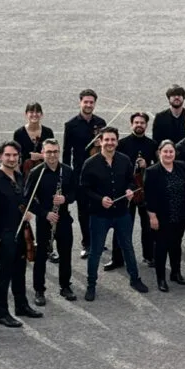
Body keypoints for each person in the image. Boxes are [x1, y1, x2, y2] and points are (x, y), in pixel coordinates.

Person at [80, 127, 149, 301]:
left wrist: (130, 189)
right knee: (95, 251)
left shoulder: (124, 160)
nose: (110, 143)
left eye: (113, 140)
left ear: (117, 142)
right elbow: (84, 189)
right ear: (100, 141)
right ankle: (91, 285)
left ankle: (135, 279)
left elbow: (131, 181)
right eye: (107, 140)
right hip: (99, 215)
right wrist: (100, 199)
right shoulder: (90, 163)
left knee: (128, 247)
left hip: (121, 213)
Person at [0, 141, 43, 327]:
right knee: (4, 275)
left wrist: (28, 210)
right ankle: (2, 313)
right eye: (7, 155)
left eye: (14, 155)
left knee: (20, 270)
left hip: (21, 231)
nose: (11, 159)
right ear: (0, 157)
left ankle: (21, 305)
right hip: (5, 234)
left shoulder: (18, 176)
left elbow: (23, 200)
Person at [25, 139, 78, 306]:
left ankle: (65, 286)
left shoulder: (67, 171)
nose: (52, 155)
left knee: (66, 254)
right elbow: (27, 199)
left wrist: (65, 198)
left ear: (59, 151)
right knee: (41, 256)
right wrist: (45, 213)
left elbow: (75, 192)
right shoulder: (36, 172)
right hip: (45, 220)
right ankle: (39, 290)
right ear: (43, 152)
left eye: (55, 151)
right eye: (48, 152)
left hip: (63, 219)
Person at [106, 112, 157, 271]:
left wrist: (147, 165)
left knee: (147, 226)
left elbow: (158, 168)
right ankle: (117, 258)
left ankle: (149, 256)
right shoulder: (122, 144)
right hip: (126, 191)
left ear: (146, 125)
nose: (139, 125)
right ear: (131, 124)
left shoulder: (152, 144)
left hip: (145, 191)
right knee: (122, 226)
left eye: (142, 123)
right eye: (136, 122)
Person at [63, 89, 107, 259]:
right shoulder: (71, 125)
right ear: (80, 102)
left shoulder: (101, 123)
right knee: (83, 210)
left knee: (99, 208)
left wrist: (100, 144)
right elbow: (66, 152)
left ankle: (98, 239)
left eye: (91, 102)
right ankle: (86, 242)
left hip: (99, 173)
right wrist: (67, 175)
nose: (88, 105)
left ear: (95, 104)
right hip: (80, 173)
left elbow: (108, 146)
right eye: (85, 102)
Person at [144, 140, 185, 293]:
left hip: (179, 215)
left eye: (171, 151)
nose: (168, 154)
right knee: (161, 248)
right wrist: (152, 217)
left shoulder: (181, 166)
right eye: (165, 151)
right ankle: (161, 278)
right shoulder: (152, 171)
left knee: (176, 245)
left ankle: (176, 273)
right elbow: (148, 197)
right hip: (161, 217)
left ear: (175, 153)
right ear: (159, 153)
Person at [13, 102, 53, 170]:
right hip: (25, 171)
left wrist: (41, 156)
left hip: (45, 169)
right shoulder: (19, 133)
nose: (34, 114)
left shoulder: (48, 132)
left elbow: (53, 153)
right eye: (31, 112)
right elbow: (15, 155)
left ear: (41, 114)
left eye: (37, 112)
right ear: (26, 114)